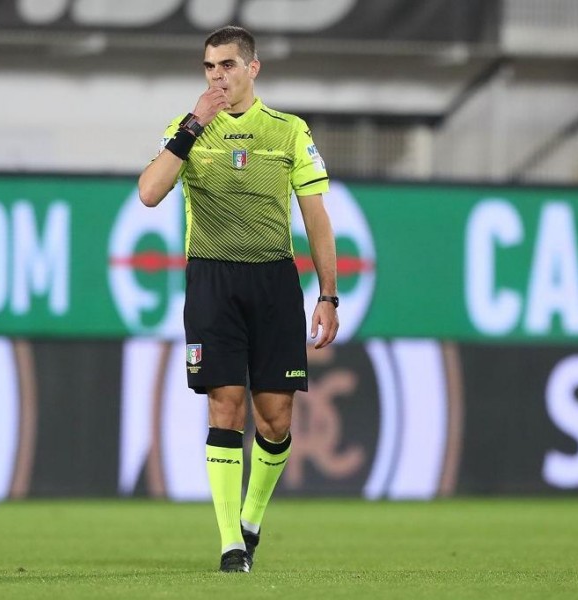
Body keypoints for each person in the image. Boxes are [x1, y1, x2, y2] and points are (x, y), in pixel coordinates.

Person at [137, 25, 339, 573]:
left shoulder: (289, 131)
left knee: (275, 420)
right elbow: (150, 193)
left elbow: (316, 217)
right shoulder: (187, 129)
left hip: (274, 281)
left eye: (227, 65)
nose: (217, 76)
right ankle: (230, 545)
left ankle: (250, 519)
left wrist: (328, 295)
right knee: (224, 404)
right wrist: (192, 126)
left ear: (253, 68)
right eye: (208, 67)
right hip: (211, 280)